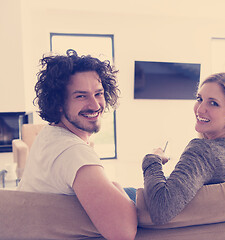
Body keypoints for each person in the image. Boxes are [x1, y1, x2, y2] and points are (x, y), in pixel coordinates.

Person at [18, 49, 137, 240]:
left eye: (98, 93)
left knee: (136, 192)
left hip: (38, 226)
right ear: (59, 103)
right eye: (81, 96)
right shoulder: (73, 152)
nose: (95, 104)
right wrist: (115, 185)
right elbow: (123, 232)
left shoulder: (48, 133)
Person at [141, 72, 225, 225]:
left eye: (213, 103)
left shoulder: (203, 151)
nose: (200, 109)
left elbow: (161, 209)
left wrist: (153, 158)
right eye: (199, 99)